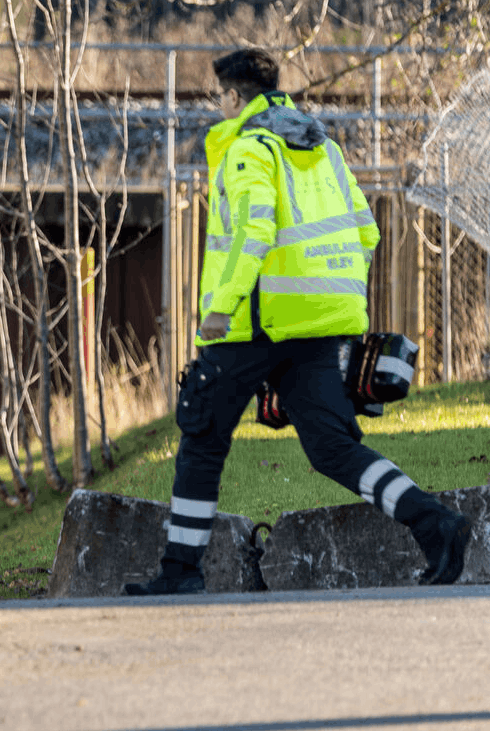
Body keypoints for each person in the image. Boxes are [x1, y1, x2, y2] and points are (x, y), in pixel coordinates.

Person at [125, 48, 469, 596]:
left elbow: (254, 232)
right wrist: (332, 301)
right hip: (318, 325)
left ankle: (180, 573)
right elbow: (367, 232)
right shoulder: (320, 146)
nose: (219, 107)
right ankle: (437, 525)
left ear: (235, 98)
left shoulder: (248, 149)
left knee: (202, 436)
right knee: (332, 448)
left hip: (254, 325)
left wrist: (222, 307)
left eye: (221, 97)